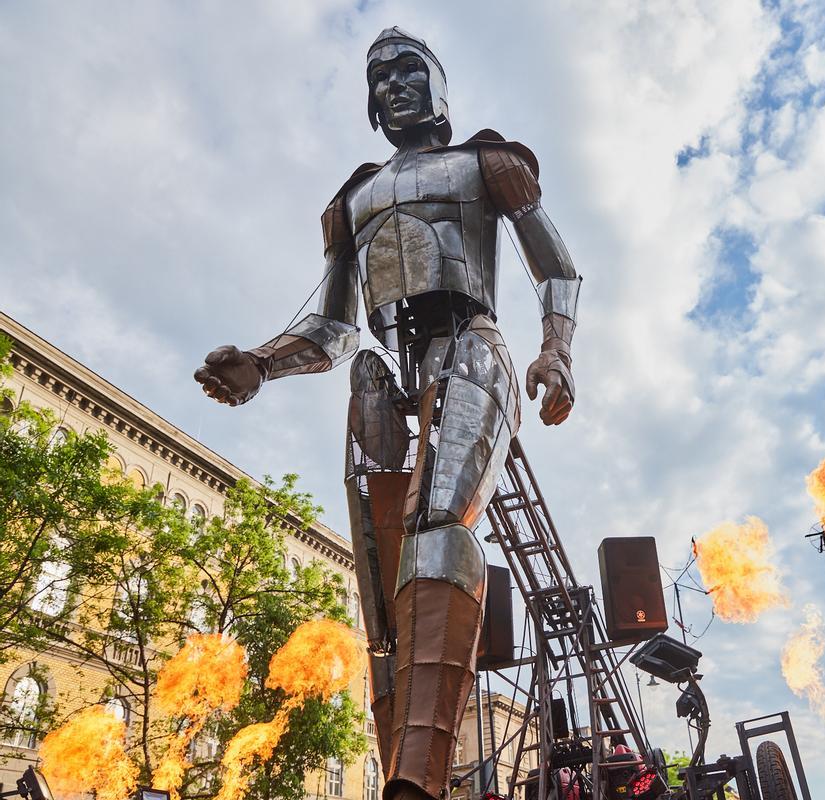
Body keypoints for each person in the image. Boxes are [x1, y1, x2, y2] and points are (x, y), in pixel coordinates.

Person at [194, 27, 581, 800]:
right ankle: (400, 768)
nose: (393, 85)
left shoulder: (487, 163)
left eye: (408, 69)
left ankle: (417, 777)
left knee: (437, 524)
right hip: (390, 371)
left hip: (471, 345)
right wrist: (262, 364)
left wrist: (556, 351)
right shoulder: (352, 201)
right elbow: (335, 330)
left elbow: (558, 269)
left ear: (439, 85)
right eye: (378, 79)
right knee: (378, 566)